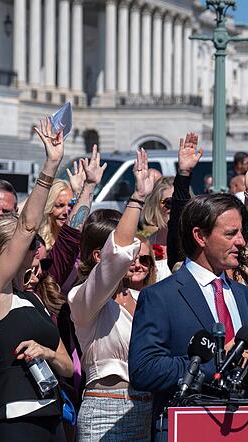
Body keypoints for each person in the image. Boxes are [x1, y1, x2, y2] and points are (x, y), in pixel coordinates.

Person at [0, 119, 73, 440]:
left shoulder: (32, 297)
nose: (33, 250)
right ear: (5, 251)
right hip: (13, 420)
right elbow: (28, 225)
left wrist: (48, 353)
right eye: (25, 247)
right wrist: (51, 164)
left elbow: (68, 367)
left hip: (52, 413)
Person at [129, 192, 248, 441]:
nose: (242, 242)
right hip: (187, 427)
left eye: (242, 233)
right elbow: (144, 370)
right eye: (231, 234)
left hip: (243, 426)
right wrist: (216, 364)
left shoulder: (245, 296)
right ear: (200, 236)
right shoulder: (161, 297)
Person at [68, 149, 156, 441]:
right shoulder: (82, 298)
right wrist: (138, 199)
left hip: (146, 409)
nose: (135, 257)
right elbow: (116, 255)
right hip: (105, 409)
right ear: (98, 256)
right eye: (131, 248)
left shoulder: (144, 298)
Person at [141, 177, 173, 281]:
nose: (174, 208)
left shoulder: (196, 245)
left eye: (180, 203)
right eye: (169, 202)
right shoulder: (146, 245)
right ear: (156, 205)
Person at [37, 179, 71, 251]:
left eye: (70, 206)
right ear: (49, 206)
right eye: (60, 205)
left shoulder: (77, 241)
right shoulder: (36, 243)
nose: (66, 212)